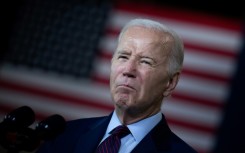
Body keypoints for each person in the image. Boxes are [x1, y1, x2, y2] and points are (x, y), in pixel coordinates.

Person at [36, 18, 198, 153]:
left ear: (170, 83)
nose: (128, 70)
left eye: (145, 61)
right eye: (123, 56)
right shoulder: (64, 135)